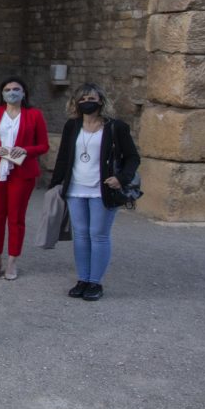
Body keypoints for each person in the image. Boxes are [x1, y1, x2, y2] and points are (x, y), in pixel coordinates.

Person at [48, 83, 139, 302]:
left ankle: (95, 282)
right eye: (82, 98)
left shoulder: (116, 127)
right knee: (80, 235)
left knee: (98, 234)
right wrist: (56, 184)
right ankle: (83, 279)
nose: (87, 101)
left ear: (101, 101)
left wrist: (121, 178)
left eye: (91, 97)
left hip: (103, 189)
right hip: (76, 188)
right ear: (76, 103)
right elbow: (63, 157)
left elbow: (132, 157)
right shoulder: (72, 126)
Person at [0, 77, 49, 281]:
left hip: (21, 172)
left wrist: (25, 150)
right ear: (2, 93)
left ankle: (12, 261)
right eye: (7, 89)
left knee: (16, 218)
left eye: (16, 89)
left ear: (24, 92)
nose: (12, 92)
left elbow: (43, 145)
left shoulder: (34, 115)